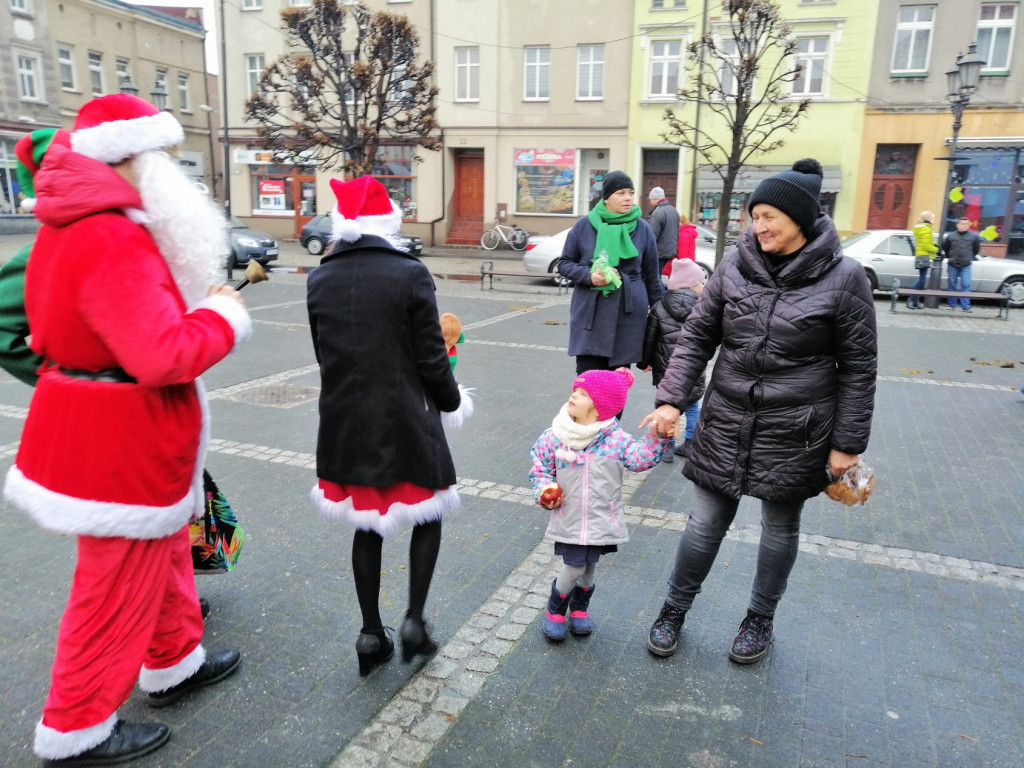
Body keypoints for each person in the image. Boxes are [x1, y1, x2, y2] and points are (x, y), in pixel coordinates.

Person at [2, 94, 251, 766]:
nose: (175, 172)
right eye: (164, 159)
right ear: (133, 160)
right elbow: (163, 353)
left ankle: (174, 660)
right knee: (111, 588)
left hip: (108, 433)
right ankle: (76, 725)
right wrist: (222, 315)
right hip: (121, 445)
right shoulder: (110, 233)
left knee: (164, 555)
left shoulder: (73, 225)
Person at [640, 158, 878, 665]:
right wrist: (669, 400)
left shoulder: (845, 277)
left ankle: (759, 620)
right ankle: (673, 609)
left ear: (802, 219)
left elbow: (859, 368)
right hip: (726, 418)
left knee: (779, 529)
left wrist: (847, 443)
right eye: (755, 215)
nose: (760, 226)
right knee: (703, 524)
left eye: (771, 215)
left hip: (798, 427)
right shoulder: (733, 264)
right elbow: (697, 336)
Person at [307, 175, 473, 677]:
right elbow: (430, 357)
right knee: (428, 514)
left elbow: (324, 355)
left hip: (345, 419)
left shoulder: (319, 278)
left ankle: (368, 633)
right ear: (388, 223)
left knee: (366, 525)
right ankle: (414, 622)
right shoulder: (410, 274)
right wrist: (452, 401)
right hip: (406, 416)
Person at [529, 367, 667, 640]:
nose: (573, 396)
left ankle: (579, 609)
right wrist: (545, 488)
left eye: (582, 394)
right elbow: (540, 466)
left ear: (600, 406)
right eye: (574, 390)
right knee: (575, 566)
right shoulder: (556, 435)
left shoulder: (615, 440)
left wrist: (656, 436)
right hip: (570, 518)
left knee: (590, 567)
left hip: (602, 518)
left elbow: (640, 459)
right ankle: (555, 610)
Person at [556, 171, 664, 401]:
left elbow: (652, 277)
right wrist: (588, 276)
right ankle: (586, 435)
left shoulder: (642, 229)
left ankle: (612, 434)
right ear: (606, 197)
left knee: (616, 388)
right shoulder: (585, 226)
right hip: (591, 317)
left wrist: (664, 316)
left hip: (628, 318)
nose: (628, 198)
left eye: (631, 193)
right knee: (587, 386)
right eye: (621, 193)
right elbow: (564, 263)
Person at [640, 258, 707, 464]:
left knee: (667, 405)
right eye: (700, 283)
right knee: (693, 405)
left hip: (665, 368)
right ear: (693, 284)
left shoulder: (660, 306)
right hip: (693, 367)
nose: (703, 286)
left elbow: (649, 338)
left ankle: (666, 447)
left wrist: (645, 362)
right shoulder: (703, 306)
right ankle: (690, 443)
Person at [941, 216, 981, 312]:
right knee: (952, 284)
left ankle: (965, 307)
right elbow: (946, 248)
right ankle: (952, 305)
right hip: (952, 264)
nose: (965, 226)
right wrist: (950, 257)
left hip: (966, 264)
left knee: (966, 284)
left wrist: (969, 257)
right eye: (963, 224)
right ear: (957, 225)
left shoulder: (973, 236)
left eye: (967, 224)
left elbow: (976, 249)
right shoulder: (951, 236)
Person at [907, 211, 938, 309]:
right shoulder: (926, 229)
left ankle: (916, 301)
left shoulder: (921, 228)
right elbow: (925, 245)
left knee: (922, 280)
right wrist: (936, 249)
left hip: (921, 255)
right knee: (922, 280)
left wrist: (933, 245)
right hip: (924, 256)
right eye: (932, 218)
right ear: (928, 219)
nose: (934, 220)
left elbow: (924, 242)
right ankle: (911, 299)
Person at [647, 186, 681, 275]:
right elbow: (677, 231)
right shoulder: (673, 210)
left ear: (655, 199)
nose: (650, 202)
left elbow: (651, 236)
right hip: (669, 250)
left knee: (654, 277)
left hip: (658, 252)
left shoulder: (658, 213)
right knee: (658, 275)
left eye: (651, 199)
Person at [661, 213, 698, 278]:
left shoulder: (682, 233)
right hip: (688, 263)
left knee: (677, 285)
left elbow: (682, 253)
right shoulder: (687, 232)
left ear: (680, 222)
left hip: (680, 266)